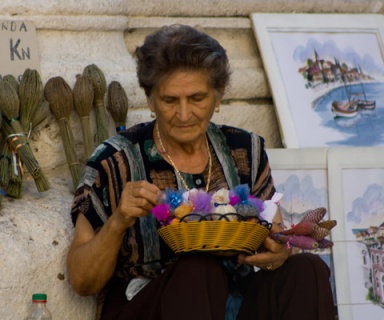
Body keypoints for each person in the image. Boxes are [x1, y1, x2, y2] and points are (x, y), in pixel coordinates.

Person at [67, 24, 336, 320]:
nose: (183, 114)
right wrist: (118, 221)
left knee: (307, 270)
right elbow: (82, 281)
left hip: (235, 300)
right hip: (151, 306)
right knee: (198, 270)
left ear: (218, 96)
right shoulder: (114, 160)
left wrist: (279, 252)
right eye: (170, 100)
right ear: (149, 99)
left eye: (197, 98)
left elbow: (273, 232)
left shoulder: (245, 149)